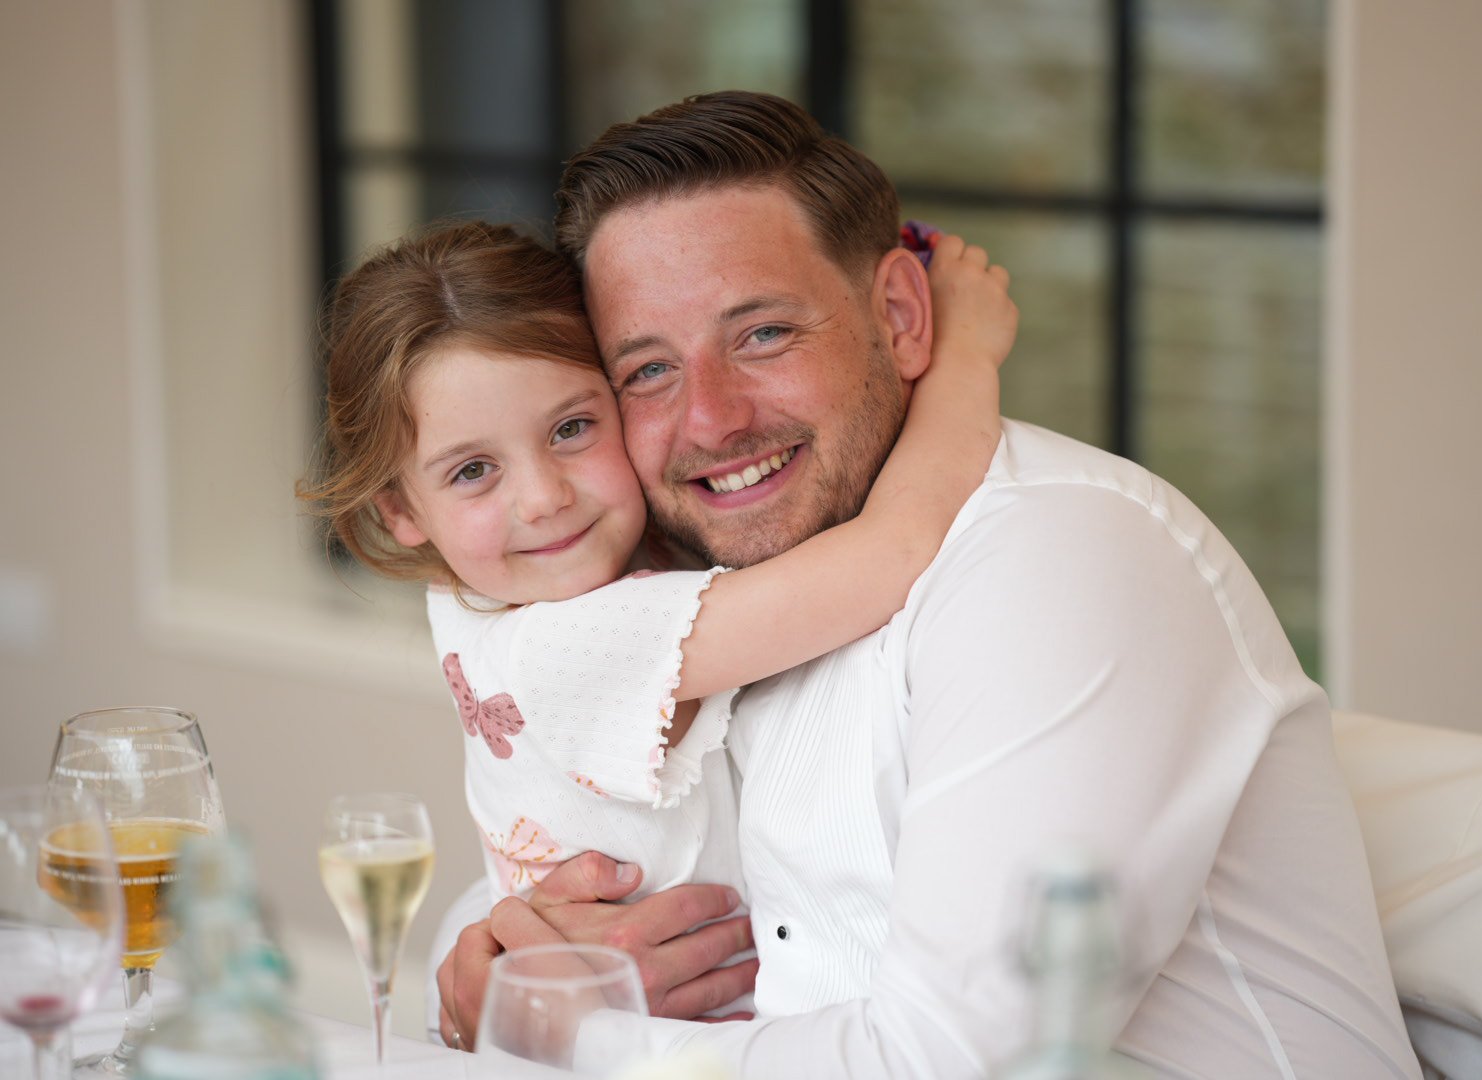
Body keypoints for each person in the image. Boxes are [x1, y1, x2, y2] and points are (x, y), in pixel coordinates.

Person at [435, 92, 1421, 1078]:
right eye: (647, 372)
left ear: (902, 316)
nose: (712, 421)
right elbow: (547, 844)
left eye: (762, 334)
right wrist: (492, 958)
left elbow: (950, 1061)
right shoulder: (703, 582)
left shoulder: (1051, 557)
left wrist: (573, 1028)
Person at [298, 219, 1015, 994]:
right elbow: (893, 554)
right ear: (400, 511)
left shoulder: (476, 587)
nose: (543, 498)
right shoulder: (572, 641)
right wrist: (965, 356)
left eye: (572, 428)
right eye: (473, 471)